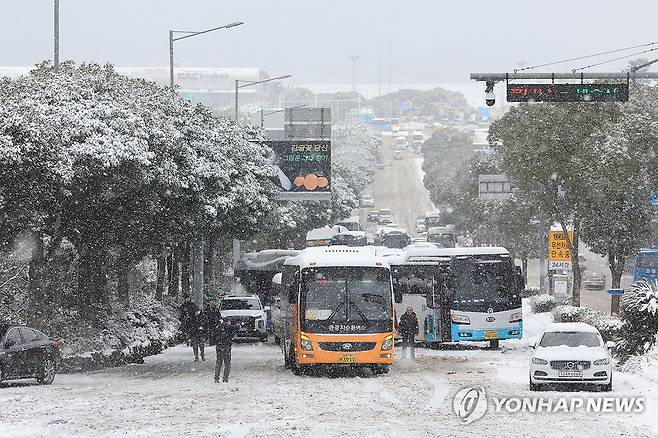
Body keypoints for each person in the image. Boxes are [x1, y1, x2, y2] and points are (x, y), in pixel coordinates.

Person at [213, 316, 239, 383]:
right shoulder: (229, 327)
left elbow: (214, 336)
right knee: (227, 364)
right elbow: (238, 327)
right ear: (228, 321)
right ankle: (225, 379)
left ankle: (216, 378)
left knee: (219, 362)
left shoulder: (218, 327)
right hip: (226, 347)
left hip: (219, 347)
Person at [179, 294, 205, 362]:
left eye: (188, 298)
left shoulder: (193, 306)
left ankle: (202, 353)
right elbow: (181, 317)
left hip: (197, 326)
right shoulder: (183, 307)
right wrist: (185, 319)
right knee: (194, 342)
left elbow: (199, 316)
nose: (187, 299)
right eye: (186, 298)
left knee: (201, 342)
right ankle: (196, 356)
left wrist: (199, 323)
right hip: (190, 327)